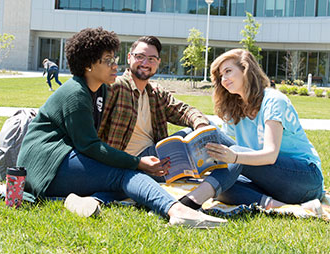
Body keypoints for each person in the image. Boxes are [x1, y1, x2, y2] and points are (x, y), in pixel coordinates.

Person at [15, 27, 225, 228]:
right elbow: (90, 146)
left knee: (124, 181)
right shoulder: (76, 93)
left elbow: (180, 109)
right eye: (107, 61)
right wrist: (136, 162)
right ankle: (177, 211)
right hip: (47, 164)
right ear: (88, 64)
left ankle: (84, 200)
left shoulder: (98, 91)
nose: (114, 65)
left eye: (113, 59)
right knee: (125, 175)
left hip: (67, 158)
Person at [95, 36, 239, 210]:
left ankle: (260, 187)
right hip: (132, 165)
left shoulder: (155, 92)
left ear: (158, 62)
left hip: (159, 164)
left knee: (220, 152)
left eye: (151, 59)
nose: (145, 63)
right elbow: (93, 129)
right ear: (129, 57)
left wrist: (201, 125)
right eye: (140, 56)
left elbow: (184, 110)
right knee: (234, 153)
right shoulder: (116, 87)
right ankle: (258, 161)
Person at [205, 49, 325, 210]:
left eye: (228, 71)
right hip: (270, 183)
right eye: (220, 76)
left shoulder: (273, 100)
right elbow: (227, 153)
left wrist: (234, 156)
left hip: (305, 180)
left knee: (237, 155)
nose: (224, 79)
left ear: (246, 70)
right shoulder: (233, 108)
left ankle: (191, 202)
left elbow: (270, 155)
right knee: (221, 187)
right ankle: (283, 207)